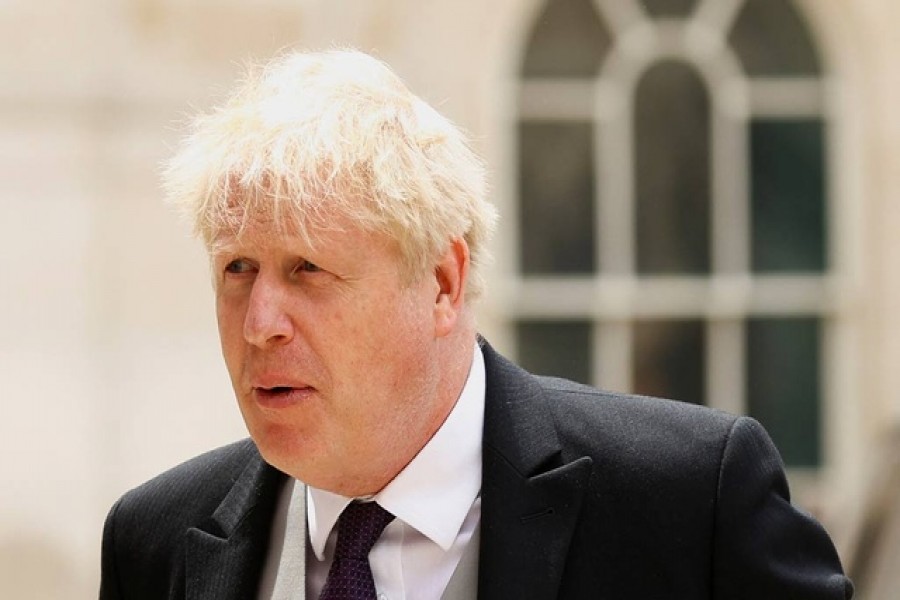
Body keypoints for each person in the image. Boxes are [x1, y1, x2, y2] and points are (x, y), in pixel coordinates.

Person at [99, 49, 852, 600]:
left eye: (308, 270)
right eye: (238, 270)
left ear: (443, 283)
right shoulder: (155, 540)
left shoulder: (690, 504)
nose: (260, 322)